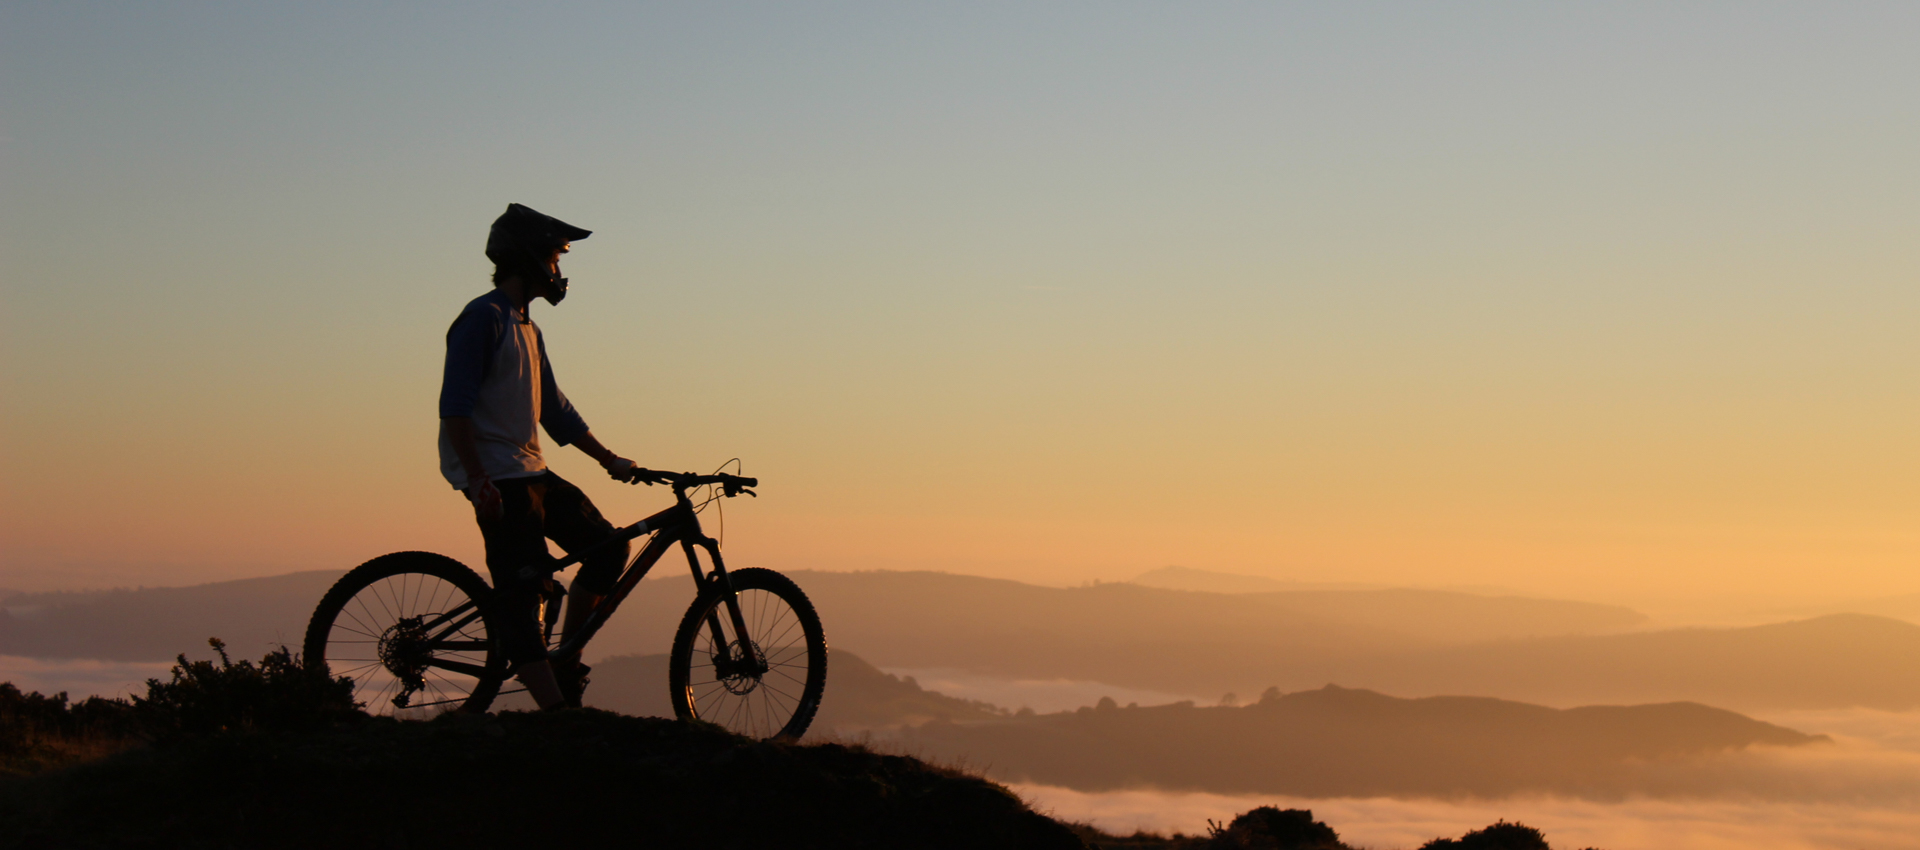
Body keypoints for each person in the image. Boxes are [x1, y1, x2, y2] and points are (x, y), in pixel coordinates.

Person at [438, 203, 640, 709]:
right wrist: (478, 480)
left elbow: (555, 409)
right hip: (500, 479)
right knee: (523, 596)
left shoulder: (527, 328)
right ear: (528, 258)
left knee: (608, 548)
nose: (559, 269)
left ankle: (564, 659)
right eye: (554, 257)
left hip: (531, 471)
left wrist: (608, 459)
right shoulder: (482, 318)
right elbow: (454, 409)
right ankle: (558, 715)